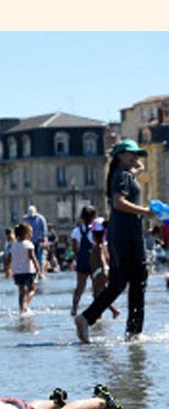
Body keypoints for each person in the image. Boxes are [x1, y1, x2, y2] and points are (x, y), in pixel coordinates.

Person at [75, 140, 157, 343]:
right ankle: (130, 331)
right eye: (132, 154)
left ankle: (90, 319)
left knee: (128, 281)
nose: (136, 157)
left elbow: (140, 166)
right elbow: (119, 203)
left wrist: (136, 161)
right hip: (124, 235)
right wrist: (146, 211)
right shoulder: (121, 176)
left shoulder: (125, 173)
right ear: (120, 156)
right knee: (131, 280)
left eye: (137, 154)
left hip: (127, 234)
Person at [89, 218, 121, 319]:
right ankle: (104, 313)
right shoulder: (102, 245)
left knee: (99, 295)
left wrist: (104, 269)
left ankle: (112, 311)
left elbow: (103, 259)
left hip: (99, 272)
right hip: (97, 272)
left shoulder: (98, 246)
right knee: (97, 295)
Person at [70, 206, 97, 316]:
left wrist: (78, 256)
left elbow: (74, 247)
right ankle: (97, 310)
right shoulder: (96, 230)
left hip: (82, 261)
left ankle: (74, 309)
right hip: (95, 261)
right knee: (97, 287)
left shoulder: (76, 231)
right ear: (94, 217)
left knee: (80, 287)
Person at [9, 222, 42, 313]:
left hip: (17, 272)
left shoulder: (14, 245)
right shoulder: (28, 244)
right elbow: (33, 257)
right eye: (31, 233)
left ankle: (21, 309)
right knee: (32, 289)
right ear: (26, 234)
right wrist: (38, 269)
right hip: (28, 271)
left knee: (21, 292)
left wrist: (7, 269)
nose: (32, 235)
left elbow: (9, 258)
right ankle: (26, 304)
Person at [22, 205, 48, 276]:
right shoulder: (25, 219)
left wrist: (44, 241)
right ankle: (31, 272)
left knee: (40, 257)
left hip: (38, 241)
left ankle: (41, 272)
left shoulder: (41, 219)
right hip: (28, 242)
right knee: (29, 257)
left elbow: (44, 232)